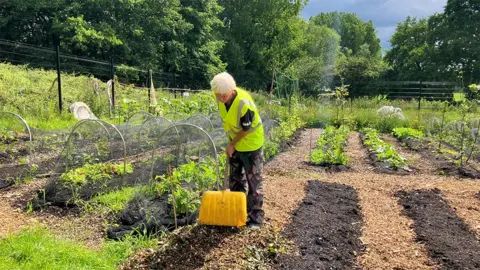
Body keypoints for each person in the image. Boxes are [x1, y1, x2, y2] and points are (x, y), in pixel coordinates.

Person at [210, 72, 264, 229]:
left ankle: (255, 219)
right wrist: (231, 144)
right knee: (235, 179)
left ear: (232, 90)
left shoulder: (243, 103)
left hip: (251, 144)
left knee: (254, 181)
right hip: (234, 142)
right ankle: (236, 213)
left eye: (224, 96)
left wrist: (232, 144)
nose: (221, 98)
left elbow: (246, 129)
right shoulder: (221, 97)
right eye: (218, 95)